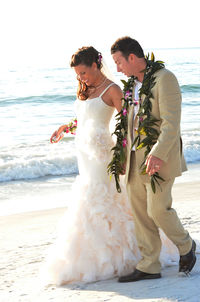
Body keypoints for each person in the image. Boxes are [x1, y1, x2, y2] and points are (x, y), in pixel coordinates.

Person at [41, 46, 178, 286]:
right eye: (77, 74)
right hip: (84, 154)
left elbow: (128, 122)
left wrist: (124, 156)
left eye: (83, 72)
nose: (80, 78)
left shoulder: (112, 89)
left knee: (105, 199)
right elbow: (85, 119)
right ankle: (95, 254)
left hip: (103, 155)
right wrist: (68, 127)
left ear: (95, 65)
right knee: (89, 198)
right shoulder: (86, 89)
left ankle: (136, 254)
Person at [110, 36, 196, 282]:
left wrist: (157, 153)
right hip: (135, 157)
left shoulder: (164, 78)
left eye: (119, 62)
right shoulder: (130, 86)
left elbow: (171, 123)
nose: (117, 68)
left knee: (158, 209)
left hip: (160, 157)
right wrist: (123, 155)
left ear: (133, 58)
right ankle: (149, 265)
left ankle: (186, 245)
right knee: (140, 213)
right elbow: (128, 123)